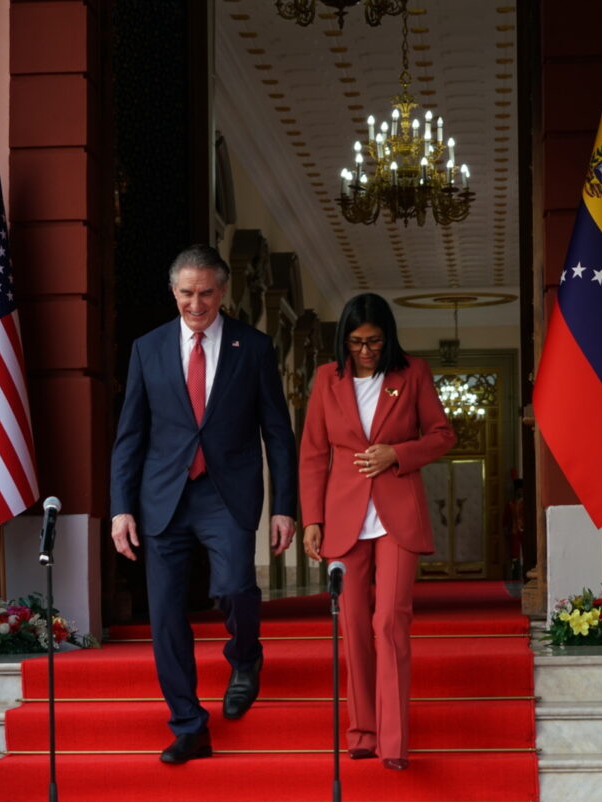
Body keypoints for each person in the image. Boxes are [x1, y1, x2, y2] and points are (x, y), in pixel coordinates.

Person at [110, 244, 298, 764]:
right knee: (167, 615)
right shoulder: (147, 349)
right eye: (187, 294)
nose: (196, 304)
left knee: (236, 585)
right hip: (161, 497)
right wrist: (121, 508)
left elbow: (278, 434)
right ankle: (189, 725)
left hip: (226, 492)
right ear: (174, 292)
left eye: (207, 294)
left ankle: (245, 657)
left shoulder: (253, 347)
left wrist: (286, 505)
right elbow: (130, 436)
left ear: (223, 292)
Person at [299, 292, 455, 771]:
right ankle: (362, 731)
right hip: (343, 518)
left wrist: (398, 453)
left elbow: (442, 434)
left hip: (396, 514)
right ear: (343, 341)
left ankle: (394, 740)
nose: (365, 351)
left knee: (389, 620)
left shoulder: (413, 373)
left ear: (389, 338)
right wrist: (312, 520)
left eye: (374, 342)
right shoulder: (327, 379)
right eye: (356, 343)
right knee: (354, 627)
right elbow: (313, 453)